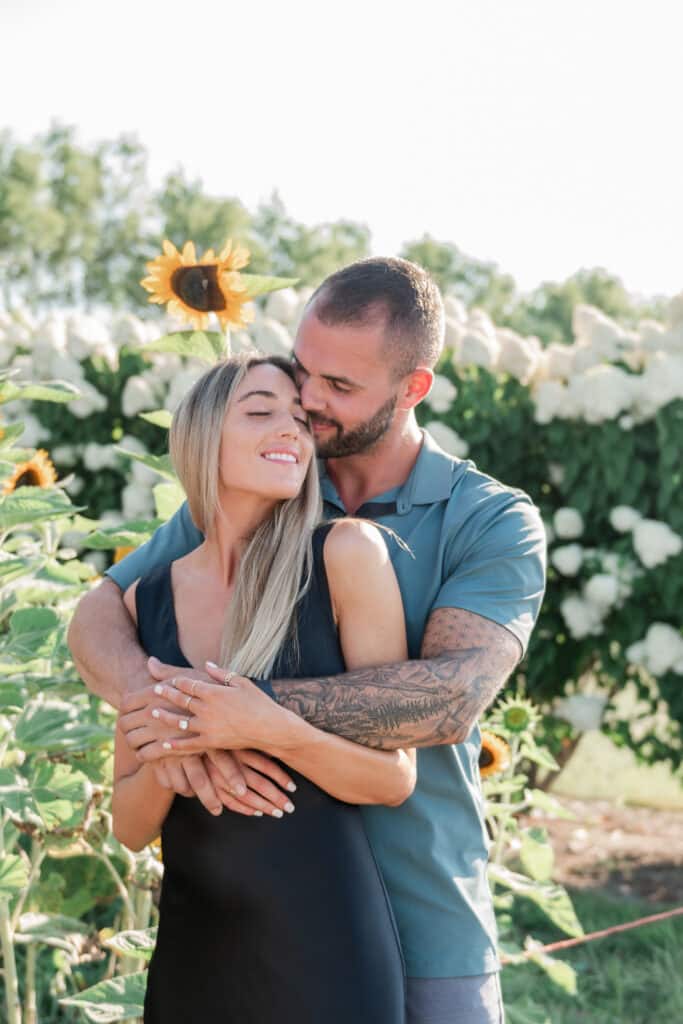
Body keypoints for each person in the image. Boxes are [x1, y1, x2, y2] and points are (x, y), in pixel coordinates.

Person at [70, 257, 547, 1024]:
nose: (310, 403)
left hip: (424, 917)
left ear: (412, 388)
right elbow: (99, 615)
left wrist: (243, 713)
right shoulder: (264, 487)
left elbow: (447, 699)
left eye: (340, 388)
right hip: (253, 919)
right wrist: (176, 725)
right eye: (302, 373)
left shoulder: (487, 521)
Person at [111, 352, 412, 1022]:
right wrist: (177, 754)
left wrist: (267, 726)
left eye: (301, 420)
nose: (291, 432)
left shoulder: (345, 557)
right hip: (195, 954)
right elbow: (127, 827)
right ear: (202, 435)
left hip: (328, 951)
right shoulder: (145, 600)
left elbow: (392, 779)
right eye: (260, 412)